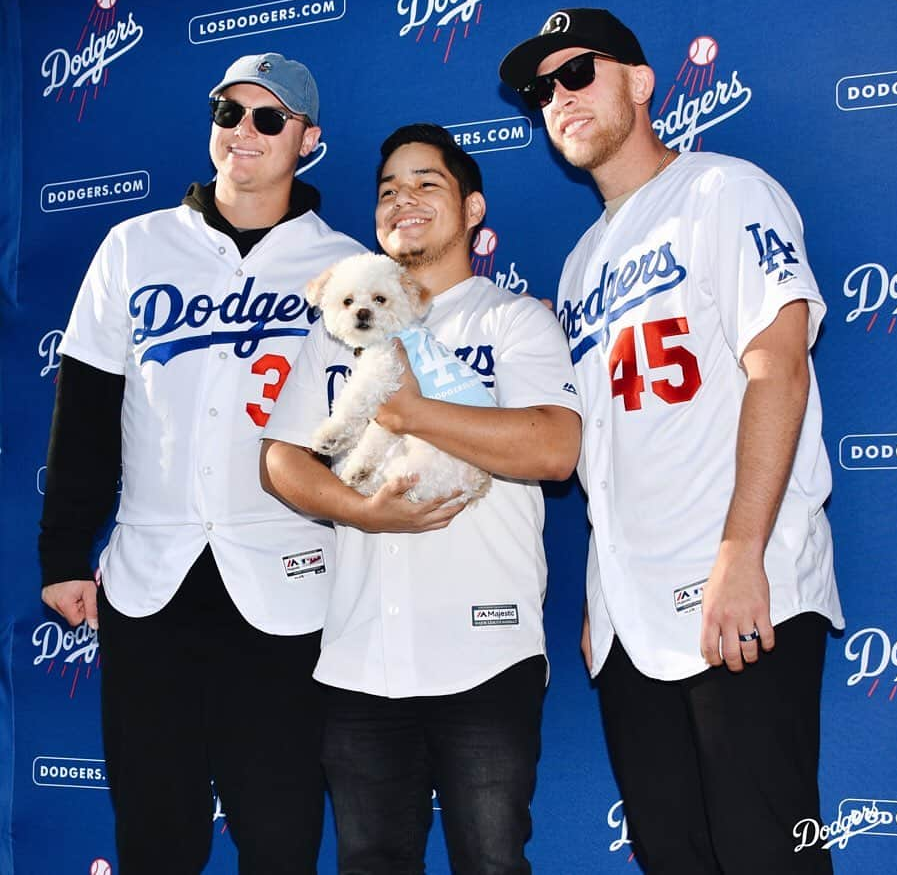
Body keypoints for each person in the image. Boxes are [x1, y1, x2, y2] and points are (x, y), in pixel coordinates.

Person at [500, 8, 844, 875]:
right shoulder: (580, 263)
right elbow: (606, 449)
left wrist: (742, 550)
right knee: (673, 857)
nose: (559, 98)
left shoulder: (725, 190)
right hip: (631, 618)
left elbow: (779, 371)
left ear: (642, 82)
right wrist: (602, 594)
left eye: (578, 73)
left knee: (769, 854)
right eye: (542, 90)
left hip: (739, 583)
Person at [38, 52, 364, 874]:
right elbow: (85, 409)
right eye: (228, 113)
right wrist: (62, 553)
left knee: (282, 832)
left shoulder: (348, 268)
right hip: (153, 579)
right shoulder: (133, 245)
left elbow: (370, 434)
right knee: (155, 830)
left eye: (268, 118)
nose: (242, 133)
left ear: (308, 139)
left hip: (290, 580)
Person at [260, 123, 582, 875]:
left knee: (492, 862)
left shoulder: (513, 320)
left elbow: (554, 449)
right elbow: (281, 458)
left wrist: (411, 412)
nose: (403, 199)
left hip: (486, 649)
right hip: (359, 652)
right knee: (370, 861)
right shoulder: (338, 331)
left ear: (473, 209)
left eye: (426, 184)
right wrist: (361, 510)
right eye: (387, 191)